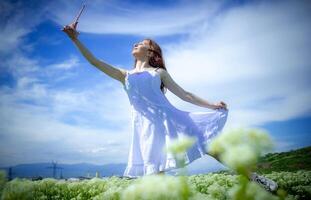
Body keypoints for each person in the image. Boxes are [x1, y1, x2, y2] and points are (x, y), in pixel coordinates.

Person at [62, 22, 278, 192]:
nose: (136, 44)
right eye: (135, 43)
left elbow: (185, 95)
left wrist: (212, 105)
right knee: (156, 177)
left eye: (142, 43)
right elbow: (94, 62)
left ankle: (256, 178)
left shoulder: (159, 73)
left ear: (151, 52)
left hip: (174, 121)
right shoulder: (124, 75)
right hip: (146, 131)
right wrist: (74, 40)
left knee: (215, 150)